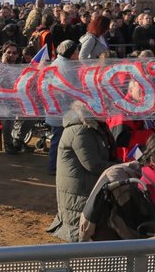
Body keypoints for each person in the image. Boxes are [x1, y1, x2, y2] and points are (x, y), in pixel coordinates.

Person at [47, 102, 115, 242]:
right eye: (103, 106)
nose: (108, 110)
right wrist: (120, 166)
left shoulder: (95, 127)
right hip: (80, 186)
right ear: (90, 110)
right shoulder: (81, 130)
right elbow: (93, 165)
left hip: (85, 181)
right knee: (78, 226)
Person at [45, 40, 79, 172]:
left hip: (57, 108)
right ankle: (53, 166)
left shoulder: (58, 63)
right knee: (58, 140)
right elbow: (71, 89)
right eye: (76, 51)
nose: (78, 54)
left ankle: (55, 165)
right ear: (70, 53)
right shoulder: (65, 68)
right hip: (61, 109)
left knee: (58, 138)